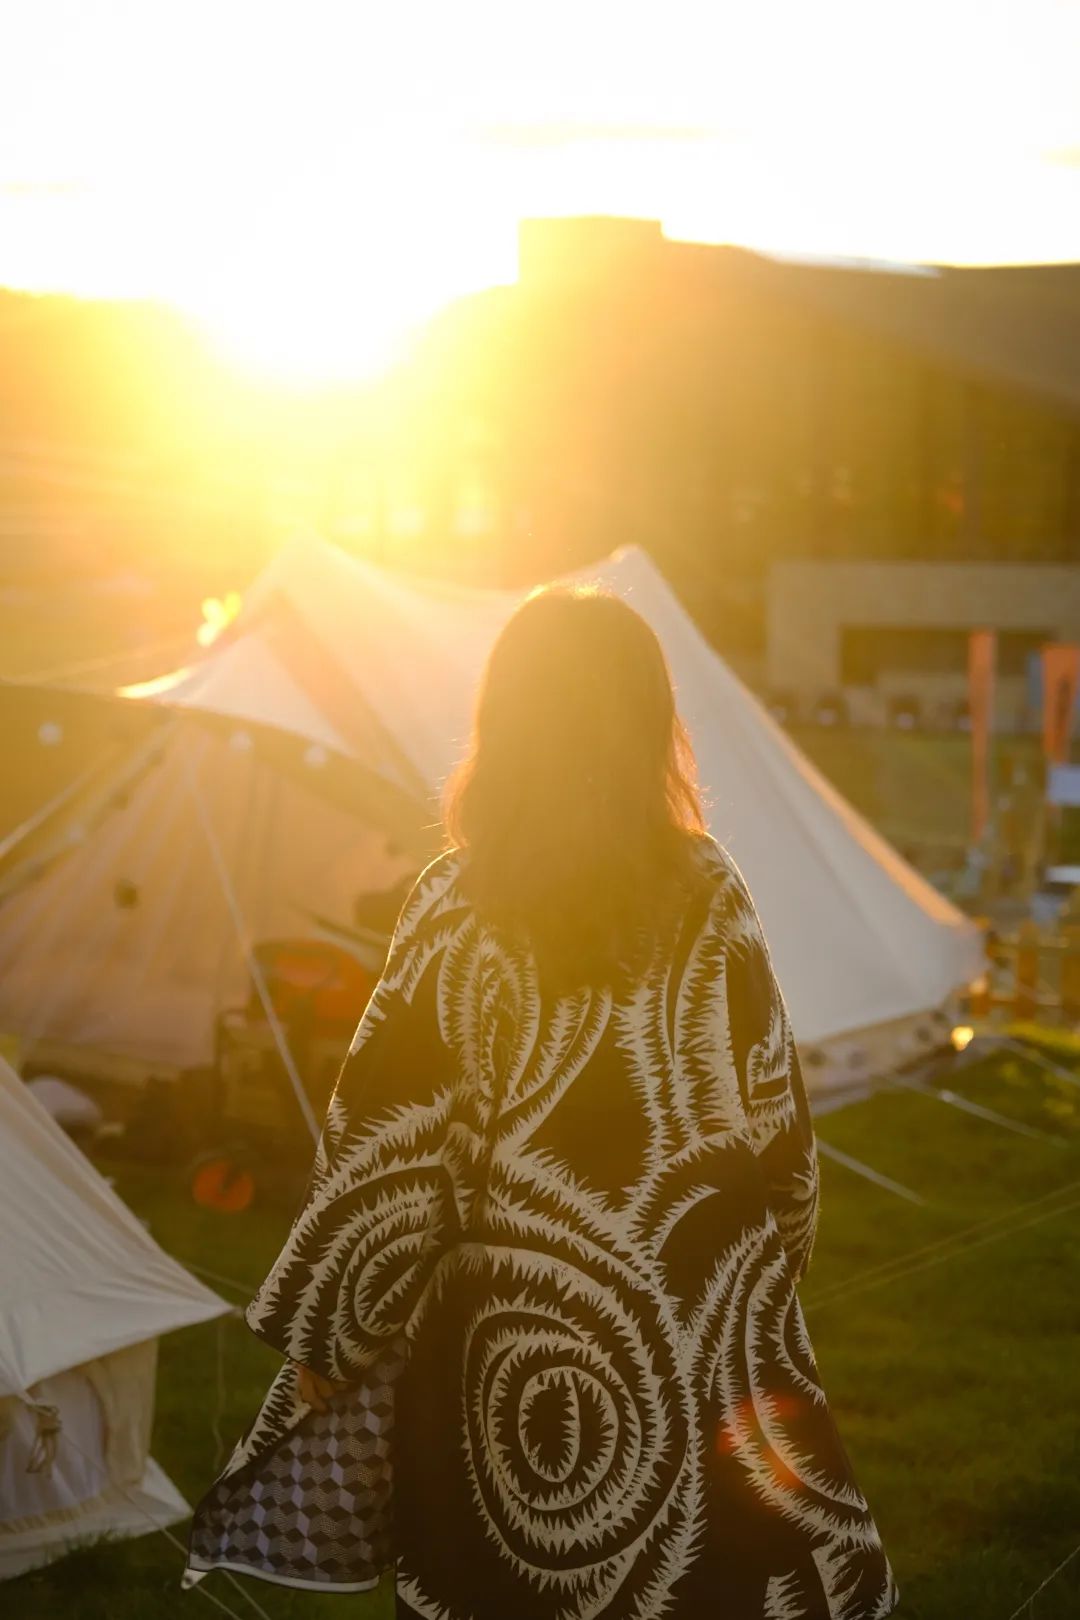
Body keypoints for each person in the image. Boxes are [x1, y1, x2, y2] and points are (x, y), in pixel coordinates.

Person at [187, 587, 898, 1619]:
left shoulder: (452, 907)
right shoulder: (710, 892)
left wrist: (330, 1343)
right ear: (653, 724)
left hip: (506, 1364)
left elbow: (387, 1152)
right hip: (702, 1346)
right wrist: (766, 1288)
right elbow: (779, 1133)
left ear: (503, 723)